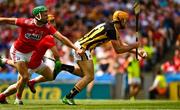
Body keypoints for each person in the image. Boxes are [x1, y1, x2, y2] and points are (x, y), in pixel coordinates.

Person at [14, 10, 147, 105]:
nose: (126, 23)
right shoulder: (111, 29)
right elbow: (119, 50)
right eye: (125, 21)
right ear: (121, 20)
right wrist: (135, 44)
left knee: (84, 74)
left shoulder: (111, 27)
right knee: (89, 77)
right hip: (83, 49)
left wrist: (137, 50)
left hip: (82, 46)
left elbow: (122, 45)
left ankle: (64, 67)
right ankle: (68, 97)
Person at [0, 5, 83, 104]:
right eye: (44, 15)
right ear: (38, 15)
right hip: (18, 52)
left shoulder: (48, 28)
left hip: (31, 54)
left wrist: (75, 48)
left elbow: (62, 38)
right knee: (25, 77)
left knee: (38, 77)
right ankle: (16, 99)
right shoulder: (26, 22)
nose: (47, 17)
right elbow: (6, 20)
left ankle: (5, 62)